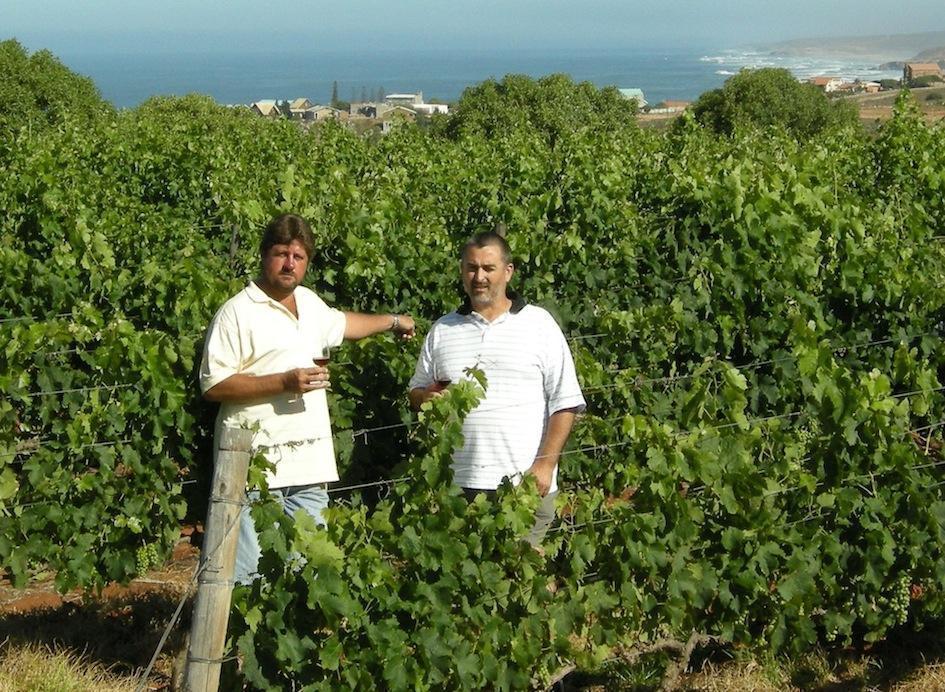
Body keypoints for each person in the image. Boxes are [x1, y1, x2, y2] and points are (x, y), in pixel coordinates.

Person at [200, 213, 415, 583]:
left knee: (306, 577)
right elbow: (214, 385)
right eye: (282, 254)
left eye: (298, 257)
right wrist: (284, 382)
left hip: (310, 469)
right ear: (265, 255)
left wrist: (395, 321)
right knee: (249, 579)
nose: (289, 264)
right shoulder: (236, 312)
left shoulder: (309, 303)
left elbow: (345, 325)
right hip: (255, 471)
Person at [408, 229, 585, 545]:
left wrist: (545, 466)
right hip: (457, 489)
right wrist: (426, 397)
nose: (479, 277)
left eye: (488, 268)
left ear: (508, 271)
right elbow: (416, 391)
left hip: (524, 487)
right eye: (471, 268)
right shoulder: (443, 330)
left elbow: (566, 401)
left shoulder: (539, 325)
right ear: (462, 271)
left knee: (520, 584)